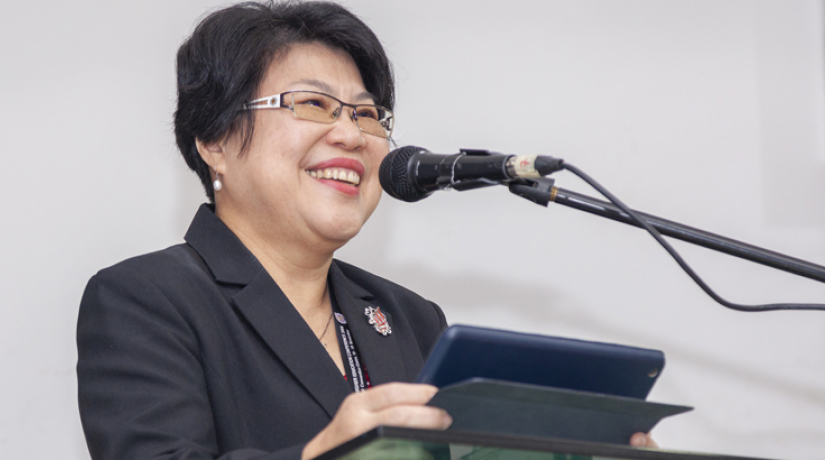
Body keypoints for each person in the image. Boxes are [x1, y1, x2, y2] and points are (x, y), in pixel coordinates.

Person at [77, 2, 656, 459]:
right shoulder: (145, 299)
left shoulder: (410, 317)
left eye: (366, 113)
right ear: (215, 141)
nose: (353, 135)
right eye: (313, 104)